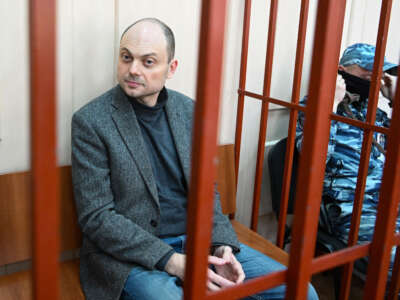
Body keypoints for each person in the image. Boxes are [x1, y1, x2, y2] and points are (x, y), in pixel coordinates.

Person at [72, 18, 318, 300]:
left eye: (148, 62)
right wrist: (172, 261)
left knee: (301, 291)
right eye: (126, 57)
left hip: (200, 243)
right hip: (131, 255)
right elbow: (97, 217)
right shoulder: (91, 121)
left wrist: (223, 246)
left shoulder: (189, 111)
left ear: (171, 68)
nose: (133, 70)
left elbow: (207, 193)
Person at [296, 43, 398, 276]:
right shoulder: (313, 105)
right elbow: (313, 158)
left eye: (379, 76)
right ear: (341, 70)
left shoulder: (372, 111)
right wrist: (330, 104)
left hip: (385, 199)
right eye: (367, 74)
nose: (374, 81)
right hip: (348, 205)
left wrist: (395, 101)